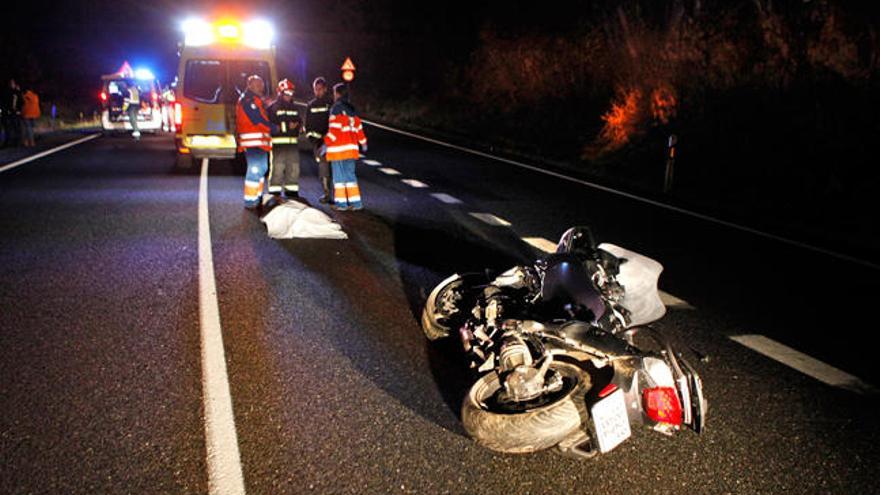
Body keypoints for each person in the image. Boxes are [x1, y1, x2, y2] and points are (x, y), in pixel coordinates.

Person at [323, 83, 367, 211]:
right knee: (350, 177)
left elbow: (334, 131)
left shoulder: (335, 109)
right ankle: (356, 203)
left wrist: (325, 144)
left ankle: (342, 204)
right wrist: (363, 142)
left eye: (334, 92)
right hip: (351, 150)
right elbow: (358, 128)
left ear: (337, 94)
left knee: (339, 179)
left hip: (338, 150)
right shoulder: (352, 109)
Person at [235, 74, 276, 210]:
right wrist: (276, 128)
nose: (261, 88)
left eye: (262, 85)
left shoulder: (255, 100)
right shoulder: (248, 100)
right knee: (255, 169)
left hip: (259, 142)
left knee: (262, 168)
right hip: (253, 142)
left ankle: (257, 197)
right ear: (250, 85)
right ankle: (250, 201)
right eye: (258, 85)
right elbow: (257, 119)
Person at [266, 78, 302, 200]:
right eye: (287, 92)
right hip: (278, 144)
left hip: (292, 143)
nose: (289, 95)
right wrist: (287, 127)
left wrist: (299, 127)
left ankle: (291, 191)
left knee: (294, 167)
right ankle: (274, 191)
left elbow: (299, 122)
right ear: (280, 93)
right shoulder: (272, 108)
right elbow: (269, 125)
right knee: (277, 167)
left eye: (291, 93)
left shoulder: (295, 108)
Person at [305, 77, 333, 203]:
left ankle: (340, 195)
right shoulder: (310, 105)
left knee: (336, 169)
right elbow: (308, 127)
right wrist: (315, 141)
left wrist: (328, 138)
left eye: (320, 89)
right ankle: (327, 193)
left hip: (333, 142)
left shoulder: (331, 104)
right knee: (323, 168)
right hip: (319, 144)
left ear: (325, 89)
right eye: (316, 89)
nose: (318, 92)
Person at [1, 79, 23, 148]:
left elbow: (21, 102)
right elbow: (3, 102)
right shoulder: (6, 92)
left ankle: (16, 142)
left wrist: (19, 110)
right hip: (7, 113)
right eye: (10, 83)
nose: (11, 85)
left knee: (15, 128)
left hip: (14, 113)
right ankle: (8, 142)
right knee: (8, 128)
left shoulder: (17, 92)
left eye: (12, 83)